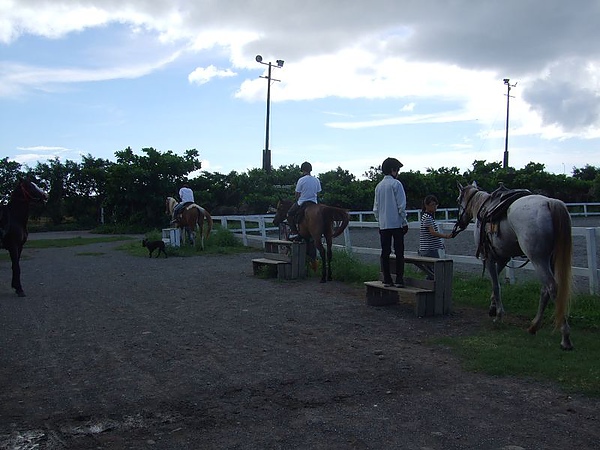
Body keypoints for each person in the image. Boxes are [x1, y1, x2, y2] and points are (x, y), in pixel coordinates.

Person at [373, 157, 408, 287]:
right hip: (396, 224)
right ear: (393, 170)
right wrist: (404, 221)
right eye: (397, 170)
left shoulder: (379, 186)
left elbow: (375, 208)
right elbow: (401, 205)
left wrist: (379, 222)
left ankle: (387, 279)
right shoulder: (396, 184)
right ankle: (399, 279)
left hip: (383, 225)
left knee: (385, 252)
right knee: (399, 252)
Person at [418, 194, 453, 279]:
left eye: (435, 204)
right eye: (432, 205)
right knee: (433, 273)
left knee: (431, 272)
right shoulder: (427, 218)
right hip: (429, 249)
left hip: (429, 248)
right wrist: (446, 236)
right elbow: (432, 232)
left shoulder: (428, 217)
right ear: (426, 205)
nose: (434, 207)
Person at [287, 161, 322, 240]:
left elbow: (297, 194)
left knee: (289, 214)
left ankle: (294, 232)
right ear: (310, 170)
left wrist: (296, 200)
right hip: (314, 202)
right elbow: (318, 192)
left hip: (302, 202)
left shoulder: (301, 180)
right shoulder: (316, 180)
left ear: (303, 170)